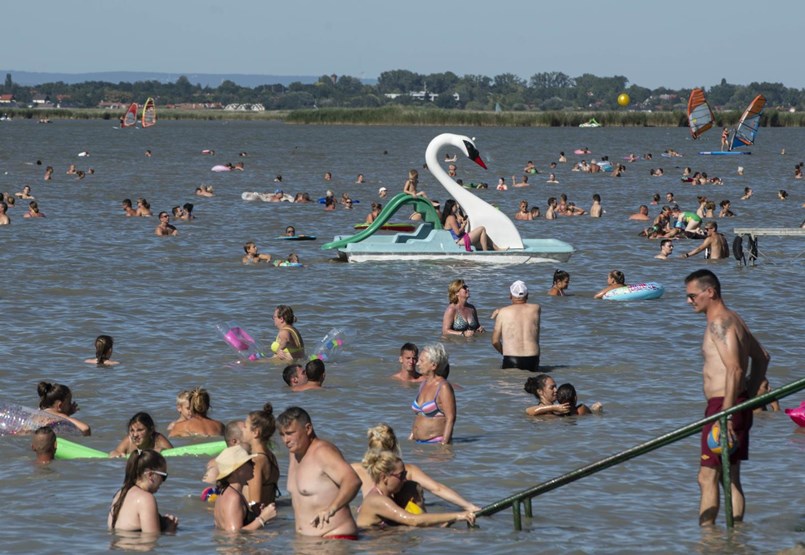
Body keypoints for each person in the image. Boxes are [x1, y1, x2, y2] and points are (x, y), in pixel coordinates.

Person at [684, 269, 769, 526]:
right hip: (735, 402)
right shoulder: (734, 319)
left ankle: (708, 539)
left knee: (707, 477)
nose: (689, 301)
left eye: (692, 296)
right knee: (729, 476)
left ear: (709, 292)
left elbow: (734, 368)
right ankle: (735, 539)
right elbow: (763, 357)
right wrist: (751, 397)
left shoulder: (719, 323)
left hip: (723, 407)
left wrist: (728, 416)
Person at [351, 423, 480, 512]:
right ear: (394, 446)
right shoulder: (406, 470)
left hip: (368, 515)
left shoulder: (356, 469)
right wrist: (468, 506)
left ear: (370, 445)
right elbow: (437, 489)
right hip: (396, 518)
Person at [277, 406, 361, 538]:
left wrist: (331, 508)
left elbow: (352, 481)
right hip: (307, 541)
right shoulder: (294, 453)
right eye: (282, 435)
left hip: (334, 538)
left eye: (290, 433)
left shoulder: (323, 451)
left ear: (308, 429)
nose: (285, 440)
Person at [356, 449, 476, 529]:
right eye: (401, 475)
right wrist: (458, 516)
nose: (404, 479)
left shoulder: (387, 496)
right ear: (384, 477)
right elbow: (413, 520)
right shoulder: (378, 500)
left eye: (405, 474)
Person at [108, 450, 178, 533]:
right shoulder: (146, 499)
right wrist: (170, 529)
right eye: (163, 476)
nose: (163, 481)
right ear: (150, 475)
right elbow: (151, 540)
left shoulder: (120, 493)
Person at [213, 446, 278, 532]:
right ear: (237, 470)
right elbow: (233, 535)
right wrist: (263, 518)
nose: (254, 464)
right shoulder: (233, 497)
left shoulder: (227, 492)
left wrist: (254, 514)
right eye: (250, 462)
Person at [410, 342, 456, 444]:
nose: (417, 363)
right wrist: (411, 438)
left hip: (435, 445)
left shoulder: (443, 387)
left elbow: (451, 418)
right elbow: (419, 416)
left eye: (421, 361)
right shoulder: (423, 384)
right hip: (418, 444)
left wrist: (444, 446)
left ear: (433, 365)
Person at [491, 280, 541, 372]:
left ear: (510, 296)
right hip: (532, 358)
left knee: (510, 385)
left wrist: (504, 352)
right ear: (527, 295)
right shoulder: (536, 308)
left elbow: (495, 341)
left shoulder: (503, 313)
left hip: (511, 358)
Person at [244, 403, 281, 506]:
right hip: (269, 517)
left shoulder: (256, 462)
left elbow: (255, 503)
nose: (242, 430)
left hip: (257, 519)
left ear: (256, 432)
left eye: (245, 426)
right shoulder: (270, 457)